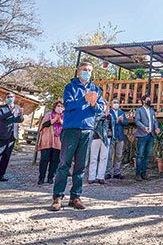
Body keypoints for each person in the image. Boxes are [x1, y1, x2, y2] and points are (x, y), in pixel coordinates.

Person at [50, 62, 105, 212]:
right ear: (78, 71)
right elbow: (67, 105)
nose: (87, 72)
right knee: (64, 164)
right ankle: (58, 197)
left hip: (87, 129)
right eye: (84, 70)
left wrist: (94, 104)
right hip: (71, 129)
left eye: (89, 70)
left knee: (81, 166)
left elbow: (100, 109)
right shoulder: (70, 87)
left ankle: (75, 197)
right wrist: (84, 99)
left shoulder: (95, 89)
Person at [134, 94, 160, 181]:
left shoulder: (152, 111)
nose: (149, 101)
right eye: (148, 100)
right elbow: (137, 121)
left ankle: (144, 172)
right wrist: (144, 128)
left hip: (151, 135)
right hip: (142, 134)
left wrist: (156, 127)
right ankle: (138, 174)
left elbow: (155, 120)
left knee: (147, 155)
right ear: (143, 101)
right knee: (140, 154)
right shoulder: (139, 110)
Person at [37, 100, 64, 185]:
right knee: (44, 160)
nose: (59, 108)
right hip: (47, 141)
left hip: (58, 142)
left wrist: (60, 120)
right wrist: (55, 119)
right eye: (58, 106)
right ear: (54, 107)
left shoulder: (65, 117)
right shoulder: (49, 115)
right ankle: (41, 178)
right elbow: (44, 125)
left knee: (55, 161)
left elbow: (65, 126)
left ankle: (50, 177)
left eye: (61, 106)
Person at [88, 104, 114, 184]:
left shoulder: (110, 116)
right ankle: (91, 177)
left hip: (106, 138)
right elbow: (95, 123)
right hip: (96, 137)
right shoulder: (96, 114)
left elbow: (112, 127)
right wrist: (103, 116)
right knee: (93, 157)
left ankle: (101, 177)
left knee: (104, 158)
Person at [105, 97, 127, 179]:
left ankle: (117, 171)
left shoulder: (121, 112)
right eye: (114, 102)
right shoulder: (109, 112)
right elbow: (107, 122)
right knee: (110, 155)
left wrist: (122, 120)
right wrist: (116, 121)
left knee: (119, 155)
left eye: (117, 102)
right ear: (111, 104)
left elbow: (126, 122)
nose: (116, 104)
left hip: (120, 136)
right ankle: (108, 172)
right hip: (112, 136)